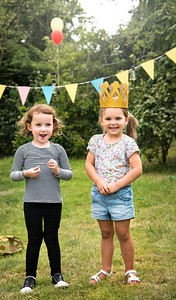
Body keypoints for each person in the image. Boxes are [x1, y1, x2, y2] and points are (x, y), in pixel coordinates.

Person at [10, 104, 72, 294]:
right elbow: (13, 174)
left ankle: (57, 275)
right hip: (32, 203)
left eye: (48, 124)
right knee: (34, 239)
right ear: (29, 126)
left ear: (54, 126)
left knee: (52, 238)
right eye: (38, 125)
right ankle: (30, 277)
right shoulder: (23, 150)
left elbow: (68, 174)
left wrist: (56, 171)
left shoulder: (58, 149)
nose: (43, 129)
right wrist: (26, 173)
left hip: (53, 203)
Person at [85, 81, 142, 285]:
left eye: (118, 118)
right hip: (99, 194)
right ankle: (105, 269)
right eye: (108, 118)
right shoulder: (96, 141)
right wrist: (99, 181)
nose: (113, 122)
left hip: (120, 195)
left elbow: (137, 168)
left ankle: (130, 271)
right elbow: (89, 165)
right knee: (106, 233)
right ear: (102, 120)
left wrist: (117, 185)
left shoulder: (128, 143)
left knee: (123, 233)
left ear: (126, 120)